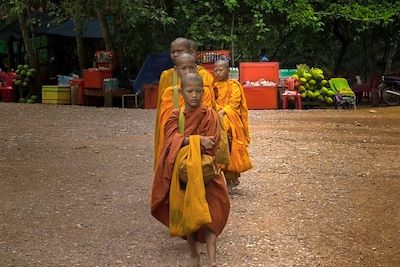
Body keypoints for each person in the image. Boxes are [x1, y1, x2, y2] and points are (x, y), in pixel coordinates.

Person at [150, 72, 230, 267]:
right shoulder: (175, 116)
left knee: (214, 213)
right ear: (182, 92)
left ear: (203, 92)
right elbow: (169, 142)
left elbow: (212, 142)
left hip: (207, 171)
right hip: (184, 172)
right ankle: (194, 254)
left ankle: (212, 260)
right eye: (189, 91)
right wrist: (196, 140)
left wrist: (192, 142)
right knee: (189, 215)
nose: (194, 95)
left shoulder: (209, 114)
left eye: (198, 91)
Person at [154, 52, 216, 169]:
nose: (188, 72)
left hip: (202, 152)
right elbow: (168, 129)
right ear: (176, 71)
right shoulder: (170, 93)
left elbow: (209, 122)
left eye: (191, 68)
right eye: (183, 68)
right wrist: (195, 141)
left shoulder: (205, 91)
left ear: (196, 69)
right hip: (177, 149)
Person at [213, 59, 252, 191]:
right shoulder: (212, 86)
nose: (217, 72)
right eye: (215, 70)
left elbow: (234, 103)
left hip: (229, 118)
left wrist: (223, 112)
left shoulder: (233, 85)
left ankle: (230, 179)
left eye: (221, 70)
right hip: (217, 116)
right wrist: (217, 110)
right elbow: (210, 100)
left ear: (228, 71)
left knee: (229, 145)